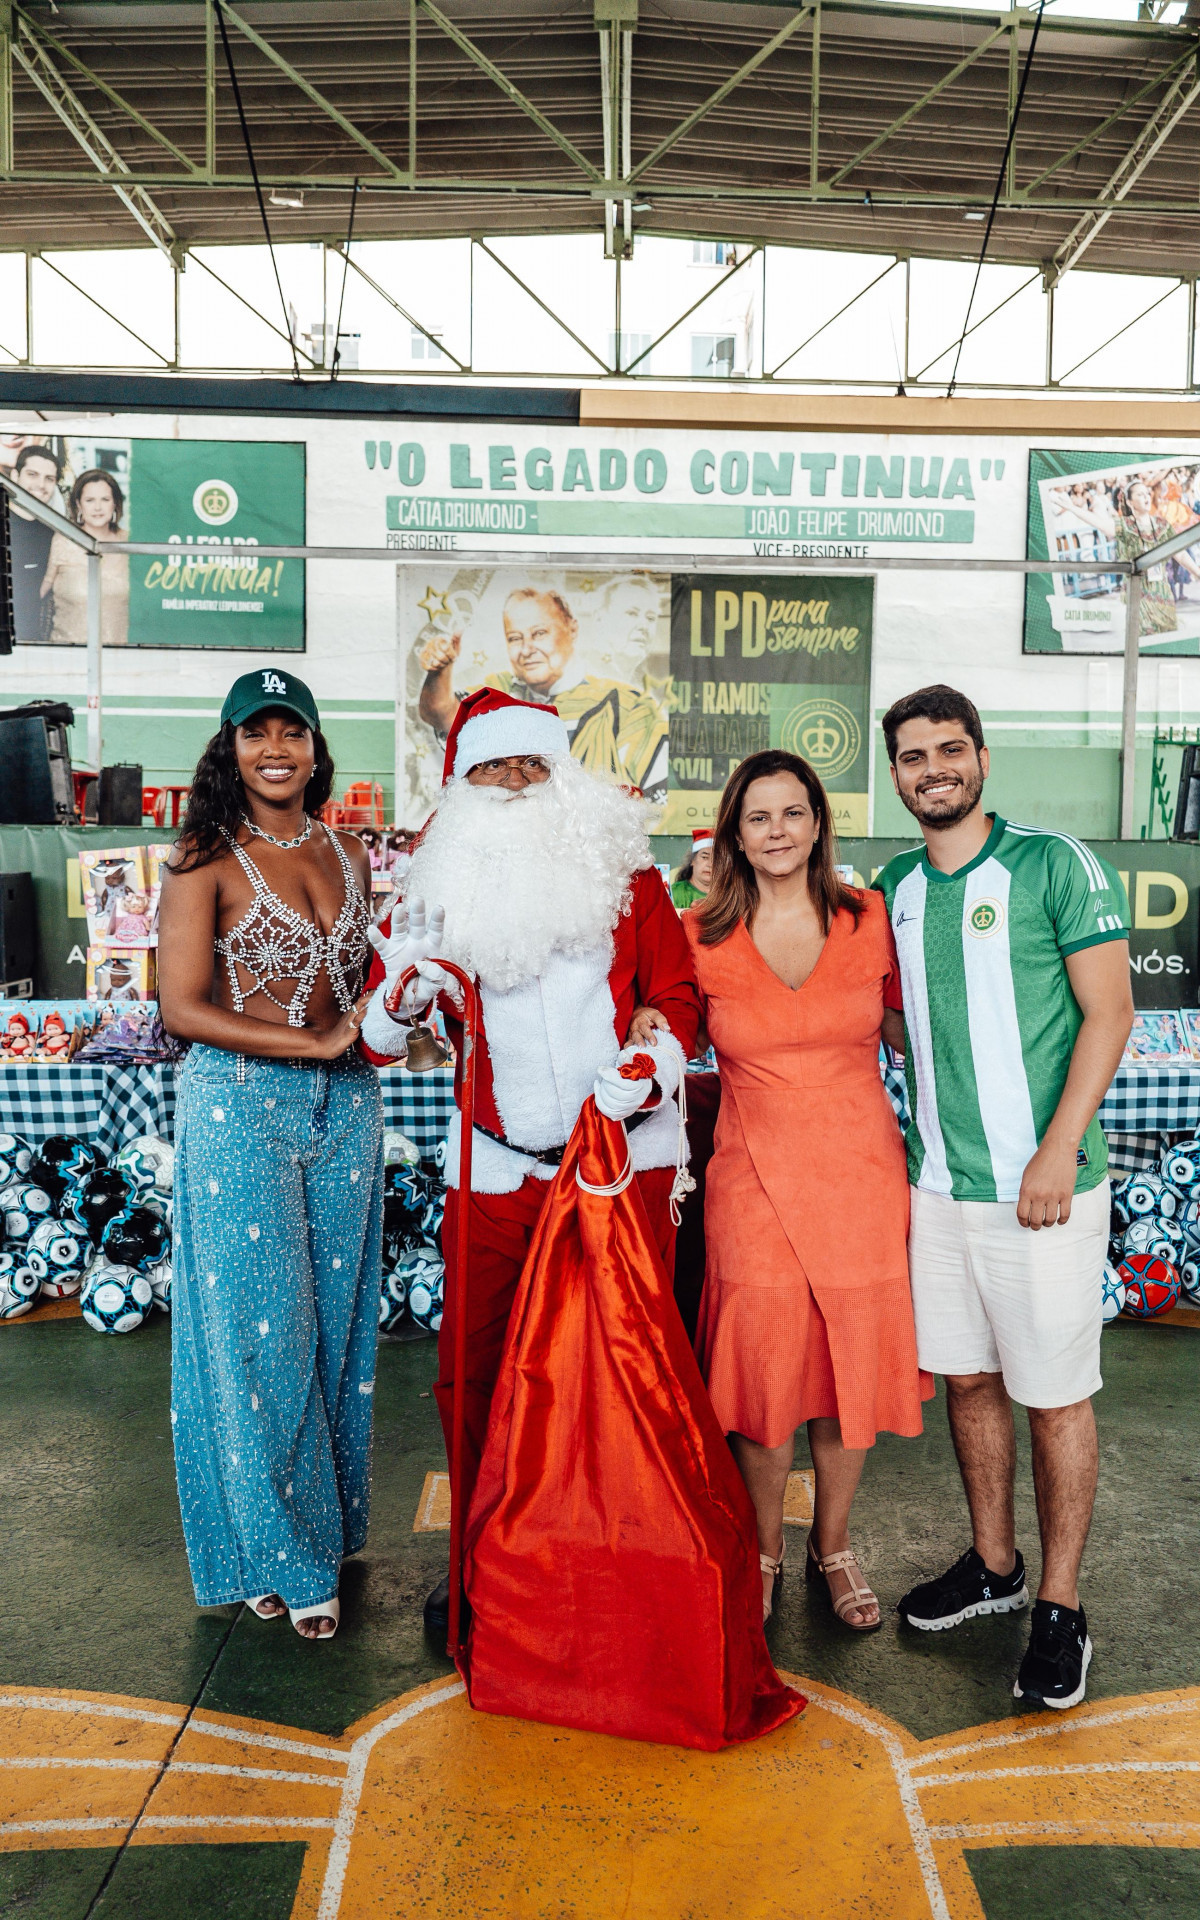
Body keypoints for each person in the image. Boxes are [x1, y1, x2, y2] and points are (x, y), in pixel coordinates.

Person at [357, 686, 701, 1639]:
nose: (513, 783)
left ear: (563, 774)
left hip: (619, 1165)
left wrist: (655, 1050)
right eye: (492, 767)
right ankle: (478, 1556)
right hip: (496, 1173)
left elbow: (675, 990)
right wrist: (404, 995)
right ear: (461, 784)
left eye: (531, 764)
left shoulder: (626, 881)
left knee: (626, 1371)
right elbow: (383, 1038)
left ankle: (628, 1556)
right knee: (475, 1370)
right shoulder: (436, 889)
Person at [875, 684, 1133, 1711]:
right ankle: (995, 1566)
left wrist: (1057, 1150)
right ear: (894, 773)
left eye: (949, 749)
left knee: (1054, 1392)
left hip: (1046, 1189)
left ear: (981, 756)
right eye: (912, 755)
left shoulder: (1052, 863)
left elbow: (1108, 1012)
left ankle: (1061, 1606)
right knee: (970, 1383)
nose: (932, 768)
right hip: (938, 1189)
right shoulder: (893, 884)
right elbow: (903, 1026)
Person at [672, 748, 929, 1629]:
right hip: (752, 1179)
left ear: (818, 822)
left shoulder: (871, 917)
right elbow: (660, 1042)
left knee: (848, 1365)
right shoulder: (699, 935)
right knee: (768, 1371)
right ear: (732, 836)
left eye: (792, 813)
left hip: (861, 1176)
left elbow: (918, 1034)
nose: (776, 831)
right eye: (758, 817)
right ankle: (764, 1547)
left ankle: (834, 1543)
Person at [158, 668, 380, 1643]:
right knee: (262, 1337)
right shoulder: (204, 856)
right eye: (257, 733)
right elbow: (181, 1007)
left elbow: (366, 986)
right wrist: (314, 1045)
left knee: (336, 1332)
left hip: (349, 1110)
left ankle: (302, 1538)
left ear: (317, 746)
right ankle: (280, 1557)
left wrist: (394, 1019)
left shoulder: (348, 850)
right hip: (239, 1109)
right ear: (231, 748)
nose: (276, 748)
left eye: (293, 730)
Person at [417, 585, 669, 801]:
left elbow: (653, 801)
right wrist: (440, 670)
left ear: (572, 628)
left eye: (539, 633)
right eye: (515, 638)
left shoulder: (630, 705)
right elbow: (441, 711)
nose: (527, 649)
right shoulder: (496, 692)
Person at [42, 468, 130, 647]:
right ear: (79, 505)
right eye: (90, 500)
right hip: (67, 654)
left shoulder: (129, 542)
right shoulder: (62, 541)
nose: (98, 507)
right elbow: (39, 593)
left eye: (105, 499)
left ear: (115, 504)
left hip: (122, 657)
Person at [9, 442, 63, 642]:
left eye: (49, 479)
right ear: (15, 477)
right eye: (32, 475)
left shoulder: (56, 534)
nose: (41, 485)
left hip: (34, 644)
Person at [671, 828, 714, 909]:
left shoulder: (729, 895)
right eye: (705, 857)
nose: (710, 864)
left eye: (716, 860)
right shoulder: (676, 892)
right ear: (692, 860)